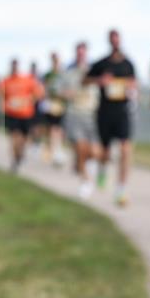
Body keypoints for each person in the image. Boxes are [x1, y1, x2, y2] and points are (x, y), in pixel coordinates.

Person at [86, 29, 137, 206]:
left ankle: (121, 188)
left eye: (117, 39)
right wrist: (100, 81)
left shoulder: (128, 64)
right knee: (105, 152)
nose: (115, 42)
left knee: (125, 149)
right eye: (112, 39)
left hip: (123, 112)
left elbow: (134, 83)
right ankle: (102, 169)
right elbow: (85, 80)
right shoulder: (101, 63)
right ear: (109, 41)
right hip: (105, 112)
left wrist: (131, 87)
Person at [59, 41, 101, 199]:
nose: (81, 55)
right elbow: (58, 89)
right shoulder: (68, 71)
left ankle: (87, 167)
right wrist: (65, 93)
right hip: (74, 113)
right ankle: (86, 181)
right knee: (80, 147)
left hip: (91, 114)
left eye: (83, 52)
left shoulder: (94, 71)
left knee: (94, 152)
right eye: (78, 52)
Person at [0, 59, 44, 173]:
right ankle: (15, 159)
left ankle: (20, 155)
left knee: (23, 138)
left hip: (26, 114)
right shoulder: (6, 81)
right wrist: (3, 105)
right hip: (11, 114)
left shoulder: (27, 80)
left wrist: (29, 100)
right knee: (14, 137)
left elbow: (39, 93)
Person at [40, 52, 67, 167]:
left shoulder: (63, 74)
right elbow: (44, 89)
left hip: (61, 105)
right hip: (50, 105)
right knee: (51, 129)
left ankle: (57, 150)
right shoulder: (48, 75)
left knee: (58, 129)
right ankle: (51, 150)